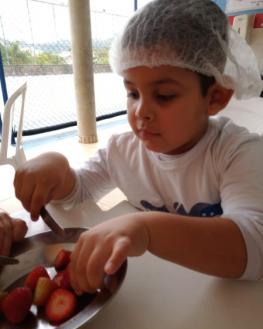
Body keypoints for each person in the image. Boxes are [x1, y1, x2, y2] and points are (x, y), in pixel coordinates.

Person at [14, 0, 263, 294]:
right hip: (159, 296)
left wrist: (147, 230)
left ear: (215, 99)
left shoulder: (238, 153)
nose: (141, 111)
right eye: (132, 92)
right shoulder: (123, 150)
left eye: (165, 95)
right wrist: (53, 165)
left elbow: (254, 246)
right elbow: (77, 190)